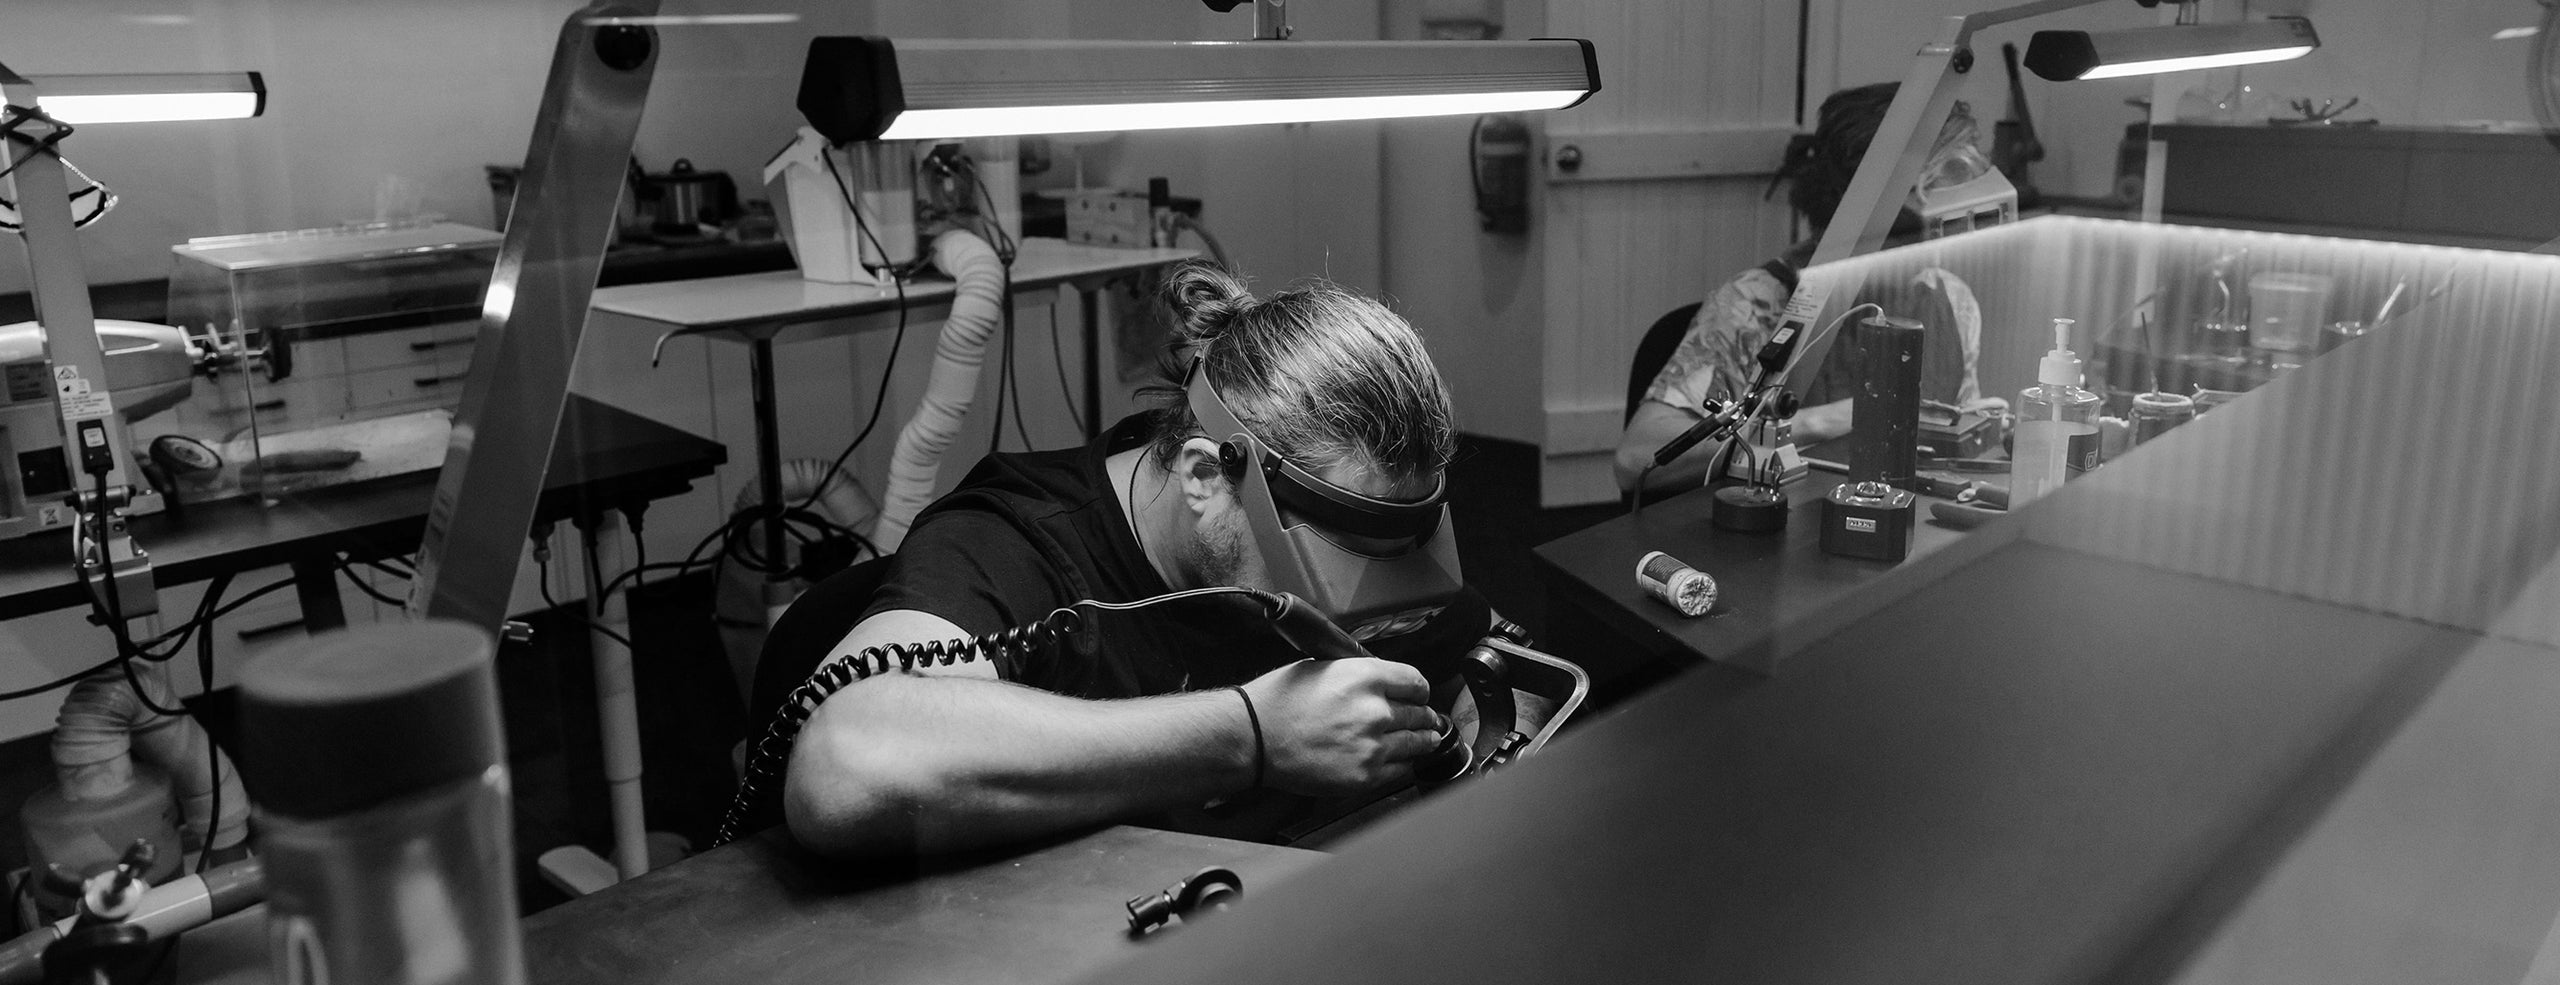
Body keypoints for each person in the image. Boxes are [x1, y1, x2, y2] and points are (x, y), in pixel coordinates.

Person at [784, 260, 1473, 859]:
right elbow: (844, 767)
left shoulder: (1373, 499)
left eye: (1400, 559)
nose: (1373, 609)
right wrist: (1251, 732)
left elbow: (1483, 658)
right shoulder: (1009, 545)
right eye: (1341, 566)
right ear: (1206, 477)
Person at [1616, 83, 1999, 498]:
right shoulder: (1756, 304)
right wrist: (1820, 422)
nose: (1946, 242)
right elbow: (1636, 461)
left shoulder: (1951, 298)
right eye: (1929, 219)